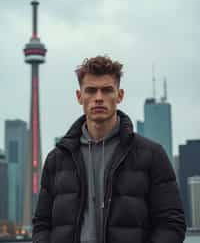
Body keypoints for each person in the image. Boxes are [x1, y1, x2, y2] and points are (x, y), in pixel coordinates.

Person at [33, 56, 186, 243]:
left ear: (119, 95)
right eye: (91, 90)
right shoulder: (56, 160)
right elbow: (42, 224)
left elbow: (171, 224)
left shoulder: (152, 155)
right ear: (79, 97)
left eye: (107, 90)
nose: (98, 98)